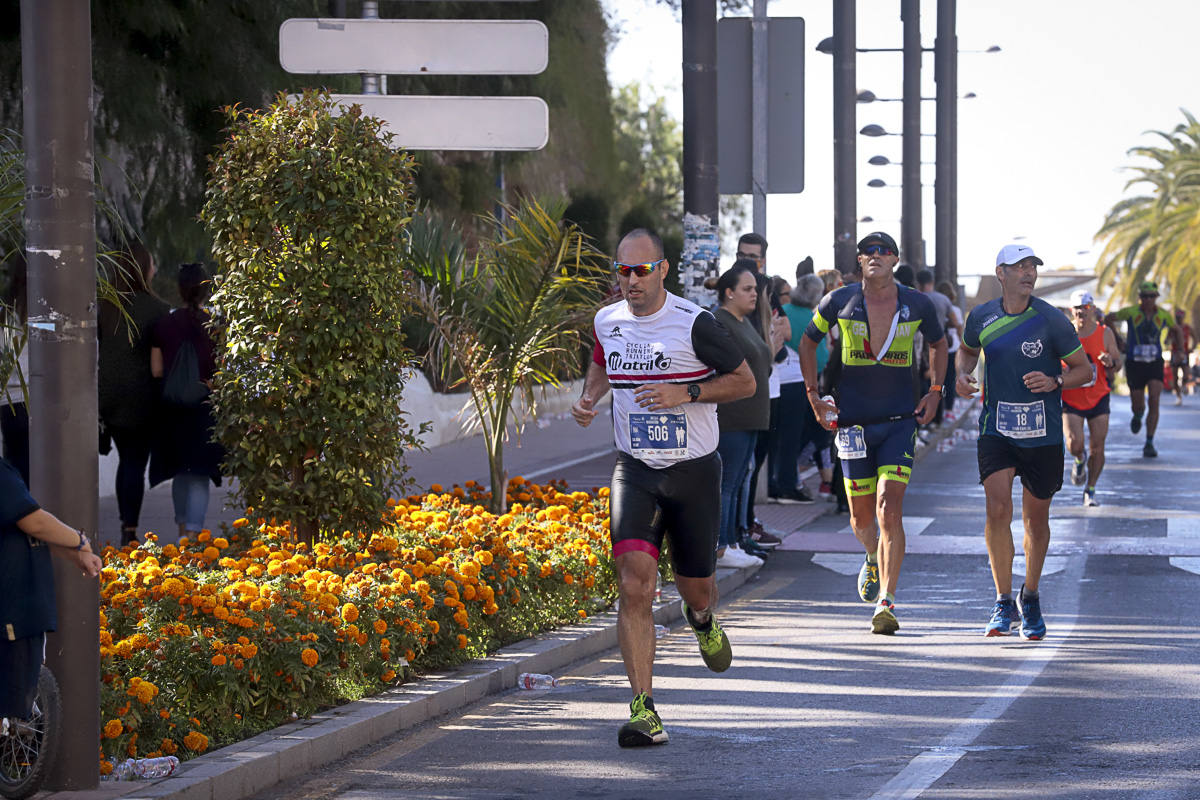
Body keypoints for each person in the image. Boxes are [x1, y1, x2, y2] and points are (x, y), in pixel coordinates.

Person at [571, 228, 755, 747]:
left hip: (694, 471)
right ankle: (643, 709)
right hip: (636, 469)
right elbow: (604, 364)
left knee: (696, 587)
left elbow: (744, 381)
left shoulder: (696, 323)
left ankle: (702, 619)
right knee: (635, 582)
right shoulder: (607, 321)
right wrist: (588, 399)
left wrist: (687, 392)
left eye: (641, 270)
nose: (631, 280)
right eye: (623, 270)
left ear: (663, 269)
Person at [800, 232, 947, 635]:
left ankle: (887, 599)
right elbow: (807, 343)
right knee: (861, 518)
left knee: (889, 506)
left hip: (900, 422)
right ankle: (870, 555)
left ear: (896, 260)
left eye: (884, 252)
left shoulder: (917, 303)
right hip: (852, 425)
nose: (876, 256)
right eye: (869, 252)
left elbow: (939, 342)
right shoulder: (838, 301)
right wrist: (814, 397)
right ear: (860, 260)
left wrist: (935, 391)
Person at [956, 244, 1089, 640]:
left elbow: (1084, 370)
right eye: (1020, 267)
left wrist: (1056, 381)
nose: (1029, 273)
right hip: (997, 428)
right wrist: (961, 377)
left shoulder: (1051, 320)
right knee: (997, 508)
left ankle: (1029, 595)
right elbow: (966, 352)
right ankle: (1002, 600)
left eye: (1033, 267)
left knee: (1035, 519)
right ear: (1001, 272)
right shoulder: (982, 316)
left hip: (1043, 433)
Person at [1, 455, 103, 723]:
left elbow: (25, 529)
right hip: (12, 606)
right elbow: (34, 522)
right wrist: (79, 541)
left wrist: (76, 553)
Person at [99, 242, 170, 545]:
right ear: (144, 269)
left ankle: (125, 524)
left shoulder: (105, 305)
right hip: (142, 397)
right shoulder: (157, 309)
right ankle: (130, 529)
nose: (155, 269)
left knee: (125, 459)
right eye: (152, 264)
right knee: (134, 463)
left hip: (109, 395)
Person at [149, 263, 223, 540]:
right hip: (204, 408)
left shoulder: (164, 324)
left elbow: (156, 370)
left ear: (180, 289)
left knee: (179, 472)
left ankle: (182, 533)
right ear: (205, 290)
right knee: (199, 474)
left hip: (172, 410)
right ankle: (192, 537)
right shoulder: (215, 325)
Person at [713, 261, 774, 567]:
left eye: (755, 289)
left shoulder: (743, 320)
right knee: (726, 483)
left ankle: (733, 541)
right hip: (731, 417)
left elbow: (763, 360)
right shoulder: (719, 321)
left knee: (738, 482)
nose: (754, 295)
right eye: (747, 289)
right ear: (729, 292)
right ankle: (721, 547)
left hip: (751, 417)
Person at [1061, 291, 1122, 507]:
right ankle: (1079, 459)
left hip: (1098, 397)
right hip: (1071, 397)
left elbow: (1118, 361)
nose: (1081, 313)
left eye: (1085, 308)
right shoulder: (1064, 333)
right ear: (1071, 312)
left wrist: (1110, 362)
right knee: (1074, 444)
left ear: (1092, 309)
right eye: (1077, 309)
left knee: (1098, 447)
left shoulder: (1105, 333)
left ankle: (1091, 489)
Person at [1105, 281, 1177, 458]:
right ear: (1140, 298)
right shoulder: (1131, 312)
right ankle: (1137, 414)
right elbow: (1108, 319)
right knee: (1138, 403)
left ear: (1156, 298)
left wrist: (1174, 344)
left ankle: (1149, 442)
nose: (1148, 300)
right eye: (1144, 296)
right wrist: (1118, 339)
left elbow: (1177, 330)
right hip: (1134, 363)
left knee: (1154, 398)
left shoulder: (1163, 315)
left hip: (1154, 363)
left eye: (1151, 296)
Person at [773, 274, 828, 504]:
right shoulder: (812, 318)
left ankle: (773, 484)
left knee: (773, 439)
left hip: (774, 382)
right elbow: (822, 358)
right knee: (792, 437)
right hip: (797, 382)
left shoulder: (782, 310)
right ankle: (787, 485)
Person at [0, 253, 28, 486]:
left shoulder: (5, 314)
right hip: (35, 403)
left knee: (15, 469)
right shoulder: (41, 319)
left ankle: (17, 521)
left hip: (8, 404)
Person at [916, 269, 955, 426]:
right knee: (939, 382)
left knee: (925, 382)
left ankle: (923, 418)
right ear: (931, 282)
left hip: (923, 343)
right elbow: (955, 321)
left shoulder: (919, 298)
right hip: (940, 342)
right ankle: (938, 417)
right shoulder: (944, 299)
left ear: (919, 284)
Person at [936, 281, 965, 419]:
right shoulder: (956, 310)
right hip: (953, 347)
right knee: (950, 379)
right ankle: (948, 409)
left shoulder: (935, 307)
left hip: (937, 346)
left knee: (938, 379)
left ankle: (938, 409)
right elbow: (959, 328)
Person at [1169, 309, 1194, 406]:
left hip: (1185, 353)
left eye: (1180, 317)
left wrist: (1192, 347)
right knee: (1174, 377)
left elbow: (1195, 337)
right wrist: (1168, 341)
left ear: (1183, 318)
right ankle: (1178, 397)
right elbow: (1167, 339)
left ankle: (1184, 385)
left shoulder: (1187, 328)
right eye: (1177, 317)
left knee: (1186, 374)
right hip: (1175, 354)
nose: (1179, 319)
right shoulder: (1173, 328)